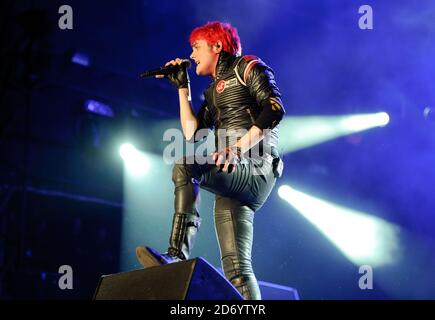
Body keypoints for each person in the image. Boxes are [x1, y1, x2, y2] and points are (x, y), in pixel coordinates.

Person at [136, 21, 285, 300]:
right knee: (237, 268)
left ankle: (177, 255)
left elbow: (274, 109)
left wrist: (237, 148)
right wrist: (183, 87)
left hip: (256, 166)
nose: (191, 55)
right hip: (234, 172)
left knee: (186, 165)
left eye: (196, 46)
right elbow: (192, 133)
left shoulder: (248, 67)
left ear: (217, 46)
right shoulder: (213, 92)